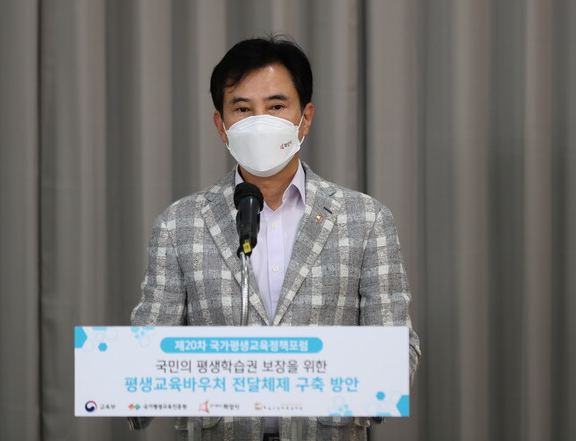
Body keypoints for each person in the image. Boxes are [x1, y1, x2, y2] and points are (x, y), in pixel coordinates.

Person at [130, 35, 421, 441]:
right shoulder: (179, 225)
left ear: (306, 117)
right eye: (242, 109)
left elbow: (395, 351)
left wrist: (343, 381)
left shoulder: (366, 220)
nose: (260, 121)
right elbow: (144, 359)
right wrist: (129, 385)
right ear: (221, 125)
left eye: (276, 106)